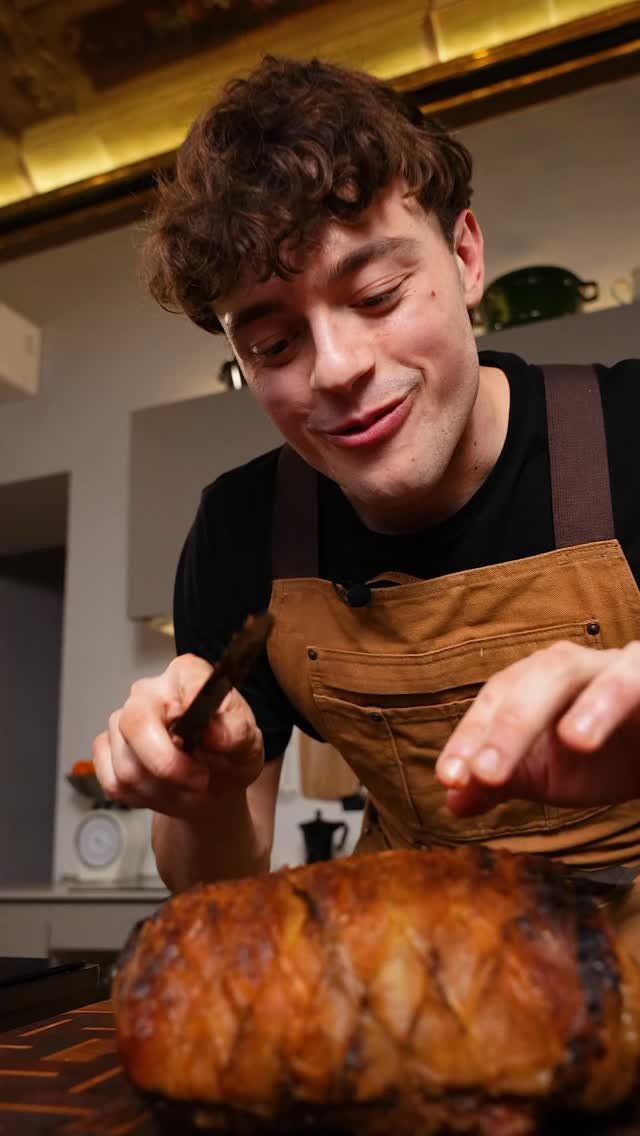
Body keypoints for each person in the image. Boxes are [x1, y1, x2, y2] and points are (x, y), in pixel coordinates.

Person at [93, 57, 640, 921]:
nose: (338, 369)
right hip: (404, 956)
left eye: (378, 296)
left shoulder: (630, 428)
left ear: (465, 257)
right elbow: (215, 892)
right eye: (275, 346)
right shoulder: (243, 528)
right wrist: (200, 793)